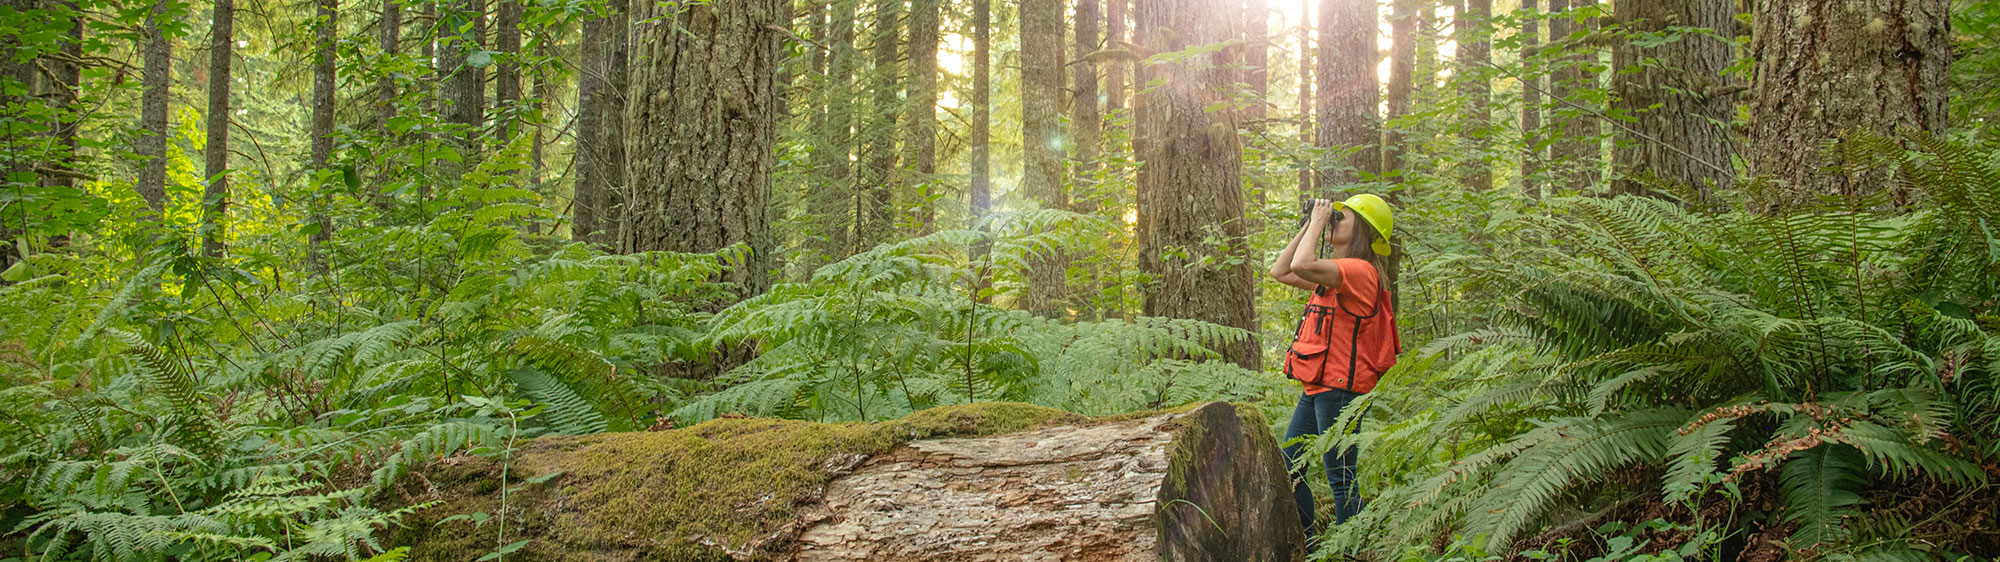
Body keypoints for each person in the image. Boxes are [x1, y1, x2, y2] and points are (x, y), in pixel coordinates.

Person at [1267, 194, 1401, 534]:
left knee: (1340, 480)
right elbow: (1280, 271)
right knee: (1291, 469)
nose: (1333, 220)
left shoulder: (1360, 272)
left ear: (1363, 229)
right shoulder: (1335, 275)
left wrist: (1316, 224)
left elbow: (1299, 266)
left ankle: (1349, 552)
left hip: (1340, 390)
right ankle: (1310, 546)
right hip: (1318, 386)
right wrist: (1309, 225)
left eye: (1342, 217)